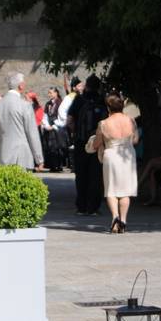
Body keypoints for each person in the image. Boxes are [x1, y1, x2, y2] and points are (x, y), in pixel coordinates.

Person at [85, 93, 138, 233]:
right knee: (125, 191)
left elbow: (96, 144)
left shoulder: (103, 123)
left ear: (108, 107)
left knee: (112, 189)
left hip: (112, 155)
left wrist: (96, 142)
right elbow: (136, 140)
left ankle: (115, 217)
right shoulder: (131, 121)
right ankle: (124, 220)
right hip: (127, 155)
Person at [67, 74, 106, 215]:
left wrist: (75, 133)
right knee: (95, 175)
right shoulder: (101, 101)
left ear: (87, 86)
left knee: (81, 174)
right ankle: (93, 207)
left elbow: (70, 120)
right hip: (97, 142)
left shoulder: (79, 100)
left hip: (81, 142)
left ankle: (81, 206)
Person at [0, 73, 45, 170]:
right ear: (21, 86)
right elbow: (32, 134)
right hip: (22, 156)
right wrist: (39, 159)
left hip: (3, 154)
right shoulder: (25, 105)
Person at [41, 87, 65, 171]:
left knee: (57, 147)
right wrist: (47, 125)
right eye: (48, 93)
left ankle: (59, 165)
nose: (49, 94)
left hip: (57, 127)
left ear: (56, 93)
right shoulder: (48, 104)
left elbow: (62, 116)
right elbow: (45, 115)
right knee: (50, 147)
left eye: (50, 93)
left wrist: (54, 126)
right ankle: (52, 165)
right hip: (49, 127)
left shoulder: (60, 103)